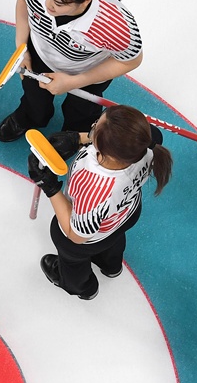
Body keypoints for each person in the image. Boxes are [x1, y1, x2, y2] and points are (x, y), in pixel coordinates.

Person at [0, 0, 143, 142]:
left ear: (86, 0)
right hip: (40, 55)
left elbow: (130, 61)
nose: (48, 4)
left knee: (81, 113)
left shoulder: (115, 25)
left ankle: (72, 138)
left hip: (87, 71)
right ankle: (29, 117)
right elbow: (24, 1)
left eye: (59, 3)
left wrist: (75, 82)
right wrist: (22, 47)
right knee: (34, 99)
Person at [28, 104, 171, 300]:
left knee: (69, 253)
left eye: (95, 127)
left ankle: (83, 287)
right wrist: (79, 138)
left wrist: (50, 187)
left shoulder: (95, 188)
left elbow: (76, 235)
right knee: (113, 240)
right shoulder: (147, 145)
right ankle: (111, 266)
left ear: (108, 150)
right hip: (124, 214)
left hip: (89, 236)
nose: (93, 126)